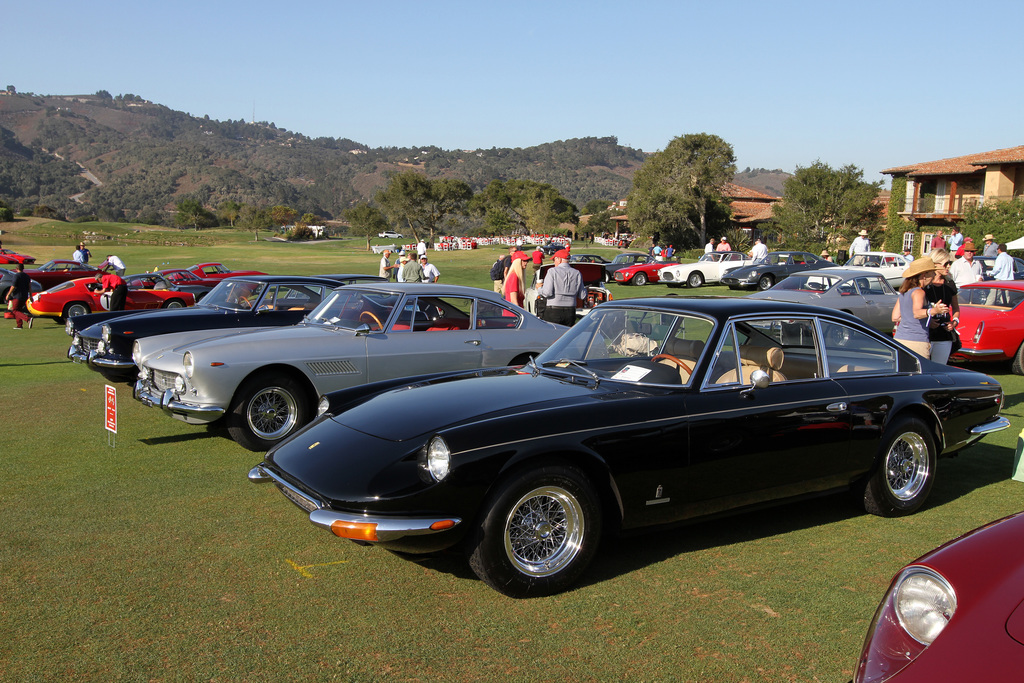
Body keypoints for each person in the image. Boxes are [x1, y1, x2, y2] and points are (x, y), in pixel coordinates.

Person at [892, 257, 947, 358]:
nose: (934, 275)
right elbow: (917, 313)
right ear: (924, 275)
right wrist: (935, 310)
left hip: (900, 339)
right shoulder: (919, 292)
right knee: (920, 372)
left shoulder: (905, 292)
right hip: (916, 342)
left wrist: (927, 321)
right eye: (932, 272)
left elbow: (895, 317)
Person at [924, 249, 960, 364]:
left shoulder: (949, 283)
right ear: (936, 264)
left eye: (950, 263)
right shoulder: (925, 283)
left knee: (939, 369)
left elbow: (956, 308)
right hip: (925, 334)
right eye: (946, 264)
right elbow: (914, 309)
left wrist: (954, 322)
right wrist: (928, 321)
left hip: (944, 335)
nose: (948, 266)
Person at [539, 249, 585, 326]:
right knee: (567, 335)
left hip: (553, 310)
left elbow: (547, 293)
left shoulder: (552, 271)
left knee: (553, 335)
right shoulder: (577, 273)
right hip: (570, 310)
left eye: (554, 259)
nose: (554, 262)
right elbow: (582, 295)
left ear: (559, 259)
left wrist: (539, 289)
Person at [6, 263, 32, 329]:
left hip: (17, 296)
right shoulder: (27, 276)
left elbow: (13, 286)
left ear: (16, 269)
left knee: (14, 310)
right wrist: (31, 296)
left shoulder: (16, 276)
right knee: (19, 310)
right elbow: (29, 287)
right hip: (25, 296)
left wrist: (8, 294)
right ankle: (19, 325)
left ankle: (28, 319)